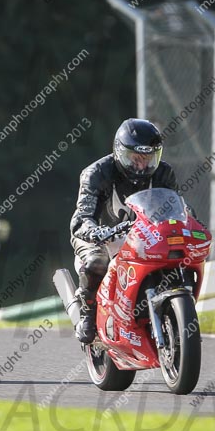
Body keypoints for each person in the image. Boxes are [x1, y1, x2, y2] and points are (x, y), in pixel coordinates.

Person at [70, 118, 179, 344]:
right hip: (98, 235)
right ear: (119, 152)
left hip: (141, 235)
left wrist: (192, 224)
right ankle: (88, 314)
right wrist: (97, 233)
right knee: (96, 262)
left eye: (148, 159)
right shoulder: (96, 173)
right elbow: (81, 218)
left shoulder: (164, 173)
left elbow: (178, 209)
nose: (142, 166)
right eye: (135, 159)